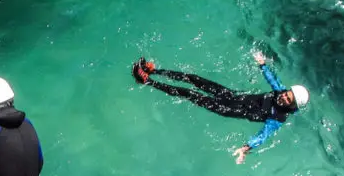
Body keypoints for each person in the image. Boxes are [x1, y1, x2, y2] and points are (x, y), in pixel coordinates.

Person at [132, 51, 309, 164]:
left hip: (226, 108)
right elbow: (272, 79)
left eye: (288, 99)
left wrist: (246, 148)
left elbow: (263, 136)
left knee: (189, 94)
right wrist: (262, 64)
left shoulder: (278, 118)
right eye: (287, 94)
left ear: (293, 106)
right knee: (195, 79)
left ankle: (147, 81)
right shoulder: (280, 92)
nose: (284, 97)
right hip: (231, 95)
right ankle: (152, 70)